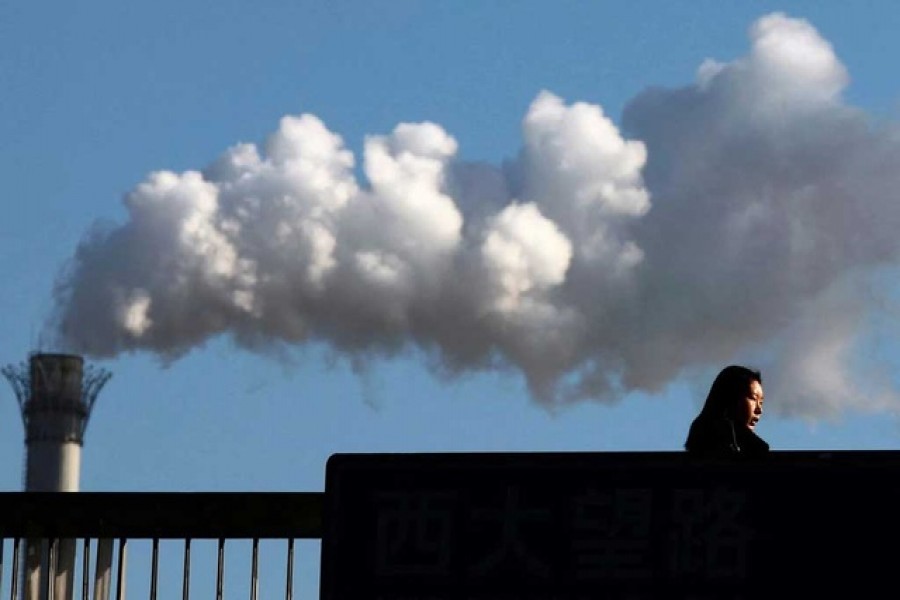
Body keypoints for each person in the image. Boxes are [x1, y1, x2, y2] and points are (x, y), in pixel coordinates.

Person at [684, 365, 769, 456]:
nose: (759, 410)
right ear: (731, 397)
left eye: (761, 403)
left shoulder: (753, 447)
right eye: (753, 398)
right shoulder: (706, 432)